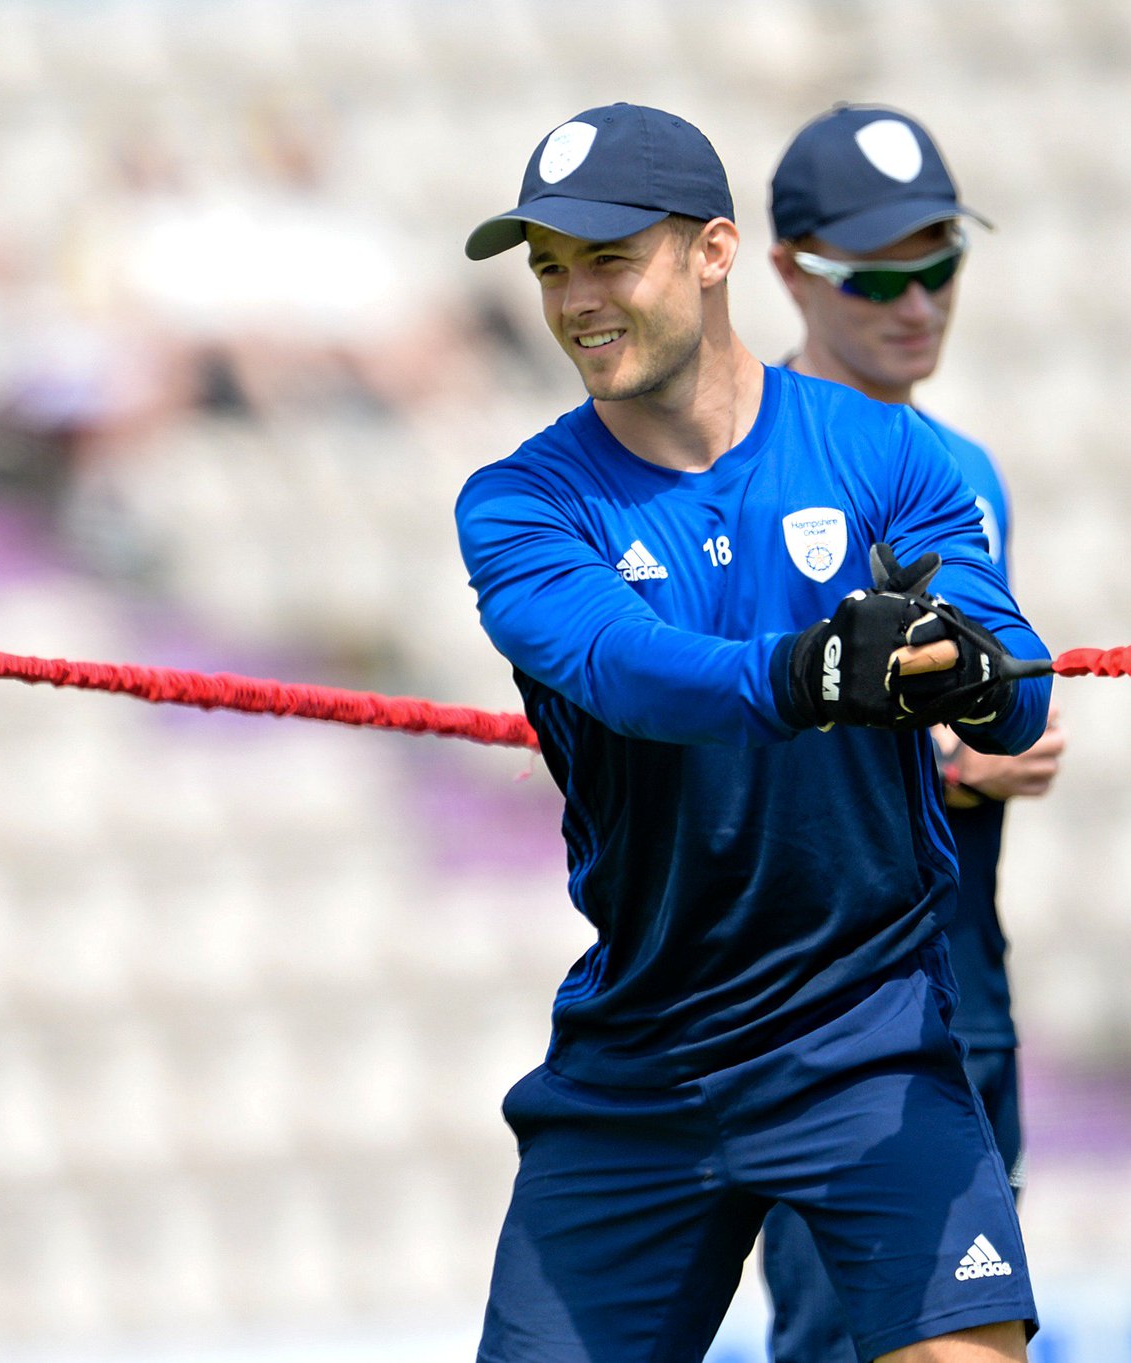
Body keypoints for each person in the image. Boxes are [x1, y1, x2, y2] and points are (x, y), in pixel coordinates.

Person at [455, 104, 1051, 1362]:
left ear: (714, 253)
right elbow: (629, 672)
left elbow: (1016, 676)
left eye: (607, 258)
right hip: (641, 1063)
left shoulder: (885, 450)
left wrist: (972, 674)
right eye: (549, 269)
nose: (573, 301)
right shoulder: (516, 504)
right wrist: (820, 670)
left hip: (866, 1033)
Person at [757, 104, 1067, 1363]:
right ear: (785, 271)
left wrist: (997, 746)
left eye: (937, 261)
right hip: (812, 1015)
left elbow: (996, 698)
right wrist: (935, 760)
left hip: (959, 989)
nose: (917, 300)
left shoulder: (964, 469)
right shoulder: (727, 463)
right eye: (876, 272)